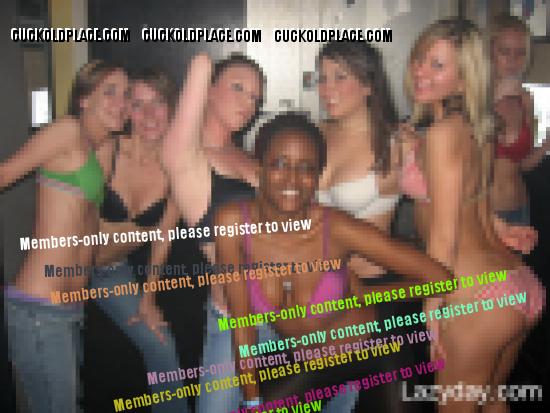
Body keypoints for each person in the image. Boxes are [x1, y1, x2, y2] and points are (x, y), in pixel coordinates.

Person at [217, 112, 453, 411]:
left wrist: (370, 294)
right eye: (280, 164)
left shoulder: (336, 228)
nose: (293, 178)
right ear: (259, 167)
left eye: (307, 168)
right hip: (310, 364)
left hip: (376, 348)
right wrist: (251, 400)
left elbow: (441, 278)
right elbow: (242, 325)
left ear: (317, 177)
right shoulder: (232, 224)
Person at [400, 18, 545, 412]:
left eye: (437, 65)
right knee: (493, 402)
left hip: (476, 296)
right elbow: (471, 199)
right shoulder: (477, 127)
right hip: (516, 284)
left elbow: (444, 236)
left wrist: (432, 309)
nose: (421, 70)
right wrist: (502, 227)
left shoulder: (441, 134)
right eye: (420, 58)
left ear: (465, 79)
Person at [2, 60, 127, 412]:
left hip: (70, 309)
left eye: (126, 94)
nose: (121, 102)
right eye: (110, 92)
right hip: (39, 309)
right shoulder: (67, 131)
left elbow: (88, 226)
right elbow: (5, 174)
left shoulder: (104, 146)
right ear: (84, 99)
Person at [162, 53, 264, 412]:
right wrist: (209, 68)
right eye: (237, 88)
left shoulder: (248, 156)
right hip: (235, 315)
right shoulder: (187, 158)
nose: (248, 102)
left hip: (287, 309)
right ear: (209, 90)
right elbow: (202, 62)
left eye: (255, 97)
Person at [92, 68, 188, 412]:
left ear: (172, 107)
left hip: (109, 273)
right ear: (127, 110)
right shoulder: (108, 150)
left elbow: (163, 238)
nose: (148, 114)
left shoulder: (176, 169)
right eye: (137, 104)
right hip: (66, 267)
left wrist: (149, 299)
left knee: (160, 344)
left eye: (157, 102)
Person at [316, 41, 401, 277]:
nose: (327, 89)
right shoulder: (315, 133)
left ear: (368, 85)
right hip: (318, 282)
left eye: (340, 77)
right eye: (322, 78)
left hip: (369, 283)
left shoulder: (396, 144)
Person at [490, 13, 550, 226]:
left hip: (520, 207)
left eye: (520, 53)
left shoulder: (526, 99)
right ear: (490, 51)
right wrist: (494, 99)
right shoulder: (475, 97)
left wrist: (546, 144)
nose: (513, 60)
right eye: (505, 52)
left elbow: (523, 164)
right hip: (485, 212)